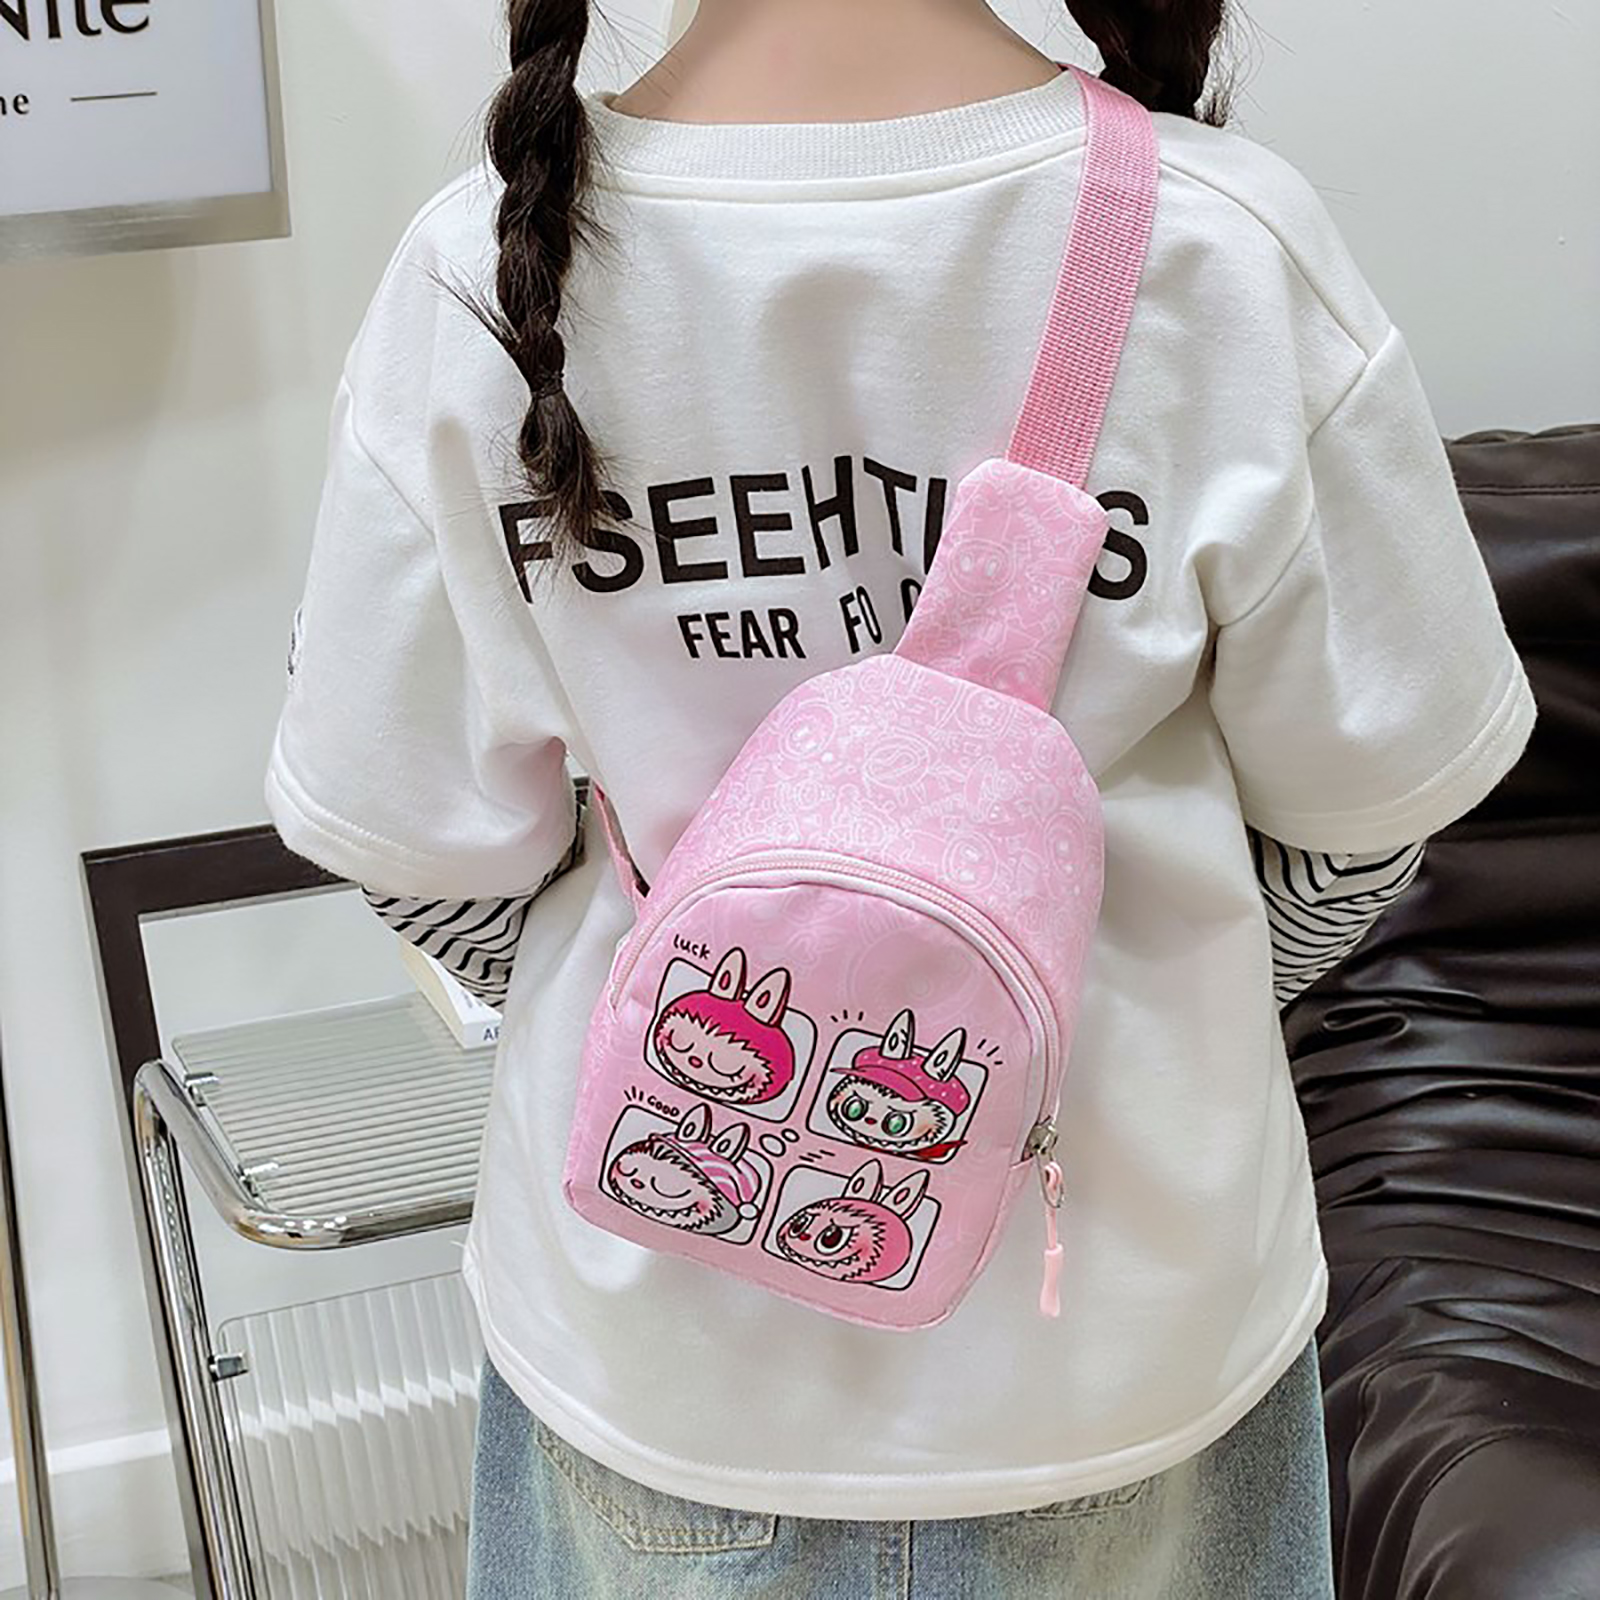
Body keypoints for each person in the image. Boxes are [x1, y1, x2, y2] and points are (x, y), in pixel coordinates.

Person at [263, 1, 1538, 1594]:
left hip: (665, 1338)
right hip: (1119, 1337)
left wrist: (682, 1000)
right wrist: (1102, 1022)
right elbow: (1364, 825)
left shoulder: (474, 274)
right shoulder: (1227, 245)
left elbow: (412, 849)